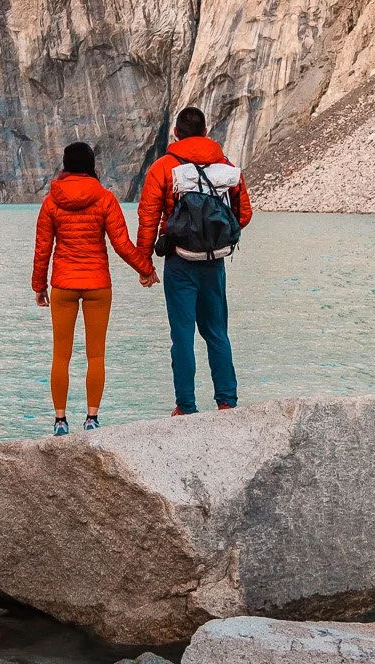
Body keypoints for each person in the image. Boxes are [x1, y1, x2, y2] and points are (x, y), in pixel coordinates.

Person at [135, 105, 252, 416]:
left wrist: (144, 265)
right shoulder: (225, 166)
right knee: (216, 332)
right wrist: (217, 234)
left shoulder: (163, 167)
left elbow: (148, 219)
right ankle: (227, 401)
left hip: (179, 262)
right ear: (206, 133)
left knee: (182, 336)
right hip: (214, 261)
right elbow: (243, 214)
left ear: (175, 134)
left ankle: (186, 406)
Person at [32, 141, 155, 436]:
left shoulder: (51, 202)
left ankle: (60, 420)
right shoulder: (104, 199)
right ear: (91, 166)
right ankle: (92, 418)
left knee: (61, 355)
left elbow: (42, 249)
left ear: (65, 166)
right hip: (98, 284)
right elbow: (122, 244)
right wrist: (146, 269)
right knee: (96, 355)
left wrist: (39, 286)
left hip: (63, 283)